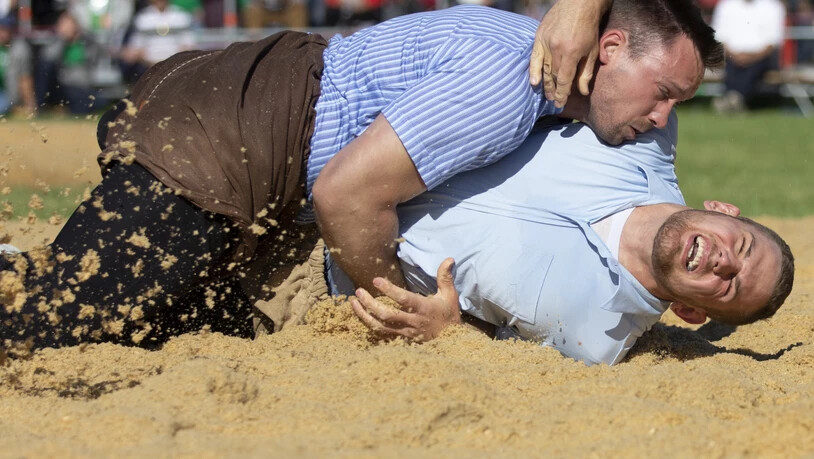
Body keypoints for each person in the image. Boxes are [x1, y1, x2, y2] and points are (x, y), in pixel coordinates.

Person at [1, 1, 722, 351]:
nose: (663, 117)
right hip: (233, 136)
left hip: (257, 138)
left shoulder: (545, 77)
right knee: (60, 323)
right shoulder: (513, 83)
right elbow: (345, 194)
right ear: (613, 47)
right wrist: (390, 307)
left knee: (158, 327)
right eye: (664, 92)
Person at [339, 115, 795, 365]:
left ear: (691, 313)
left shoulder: (594, 346)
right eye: (742, 246)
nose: (724, 261)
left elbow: (495, 353)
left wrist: (448, 331)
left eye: (730, 285)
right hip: (337, 139)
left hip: (325, 272)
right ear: (723, 210)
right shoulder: (645, 132)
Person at [710, 0, 786, 112]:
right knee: (733, 66)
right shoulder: (726, 5)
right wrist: (735, 55)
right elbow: (720, 36)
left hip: (762, 57)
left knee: (749, 67)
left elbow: (773, 42)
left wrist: (751, 57)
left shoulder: (773, 6)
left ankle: (732, 98)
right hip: (732, 56)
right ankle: (737, 99)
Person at [0, 15, 36, 116]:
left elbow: (25, 78)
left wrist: (30, 104)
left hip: (7, 96)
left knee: (3, 106)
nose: (2, 33)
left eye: (5, 30)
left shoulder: (20, 49)